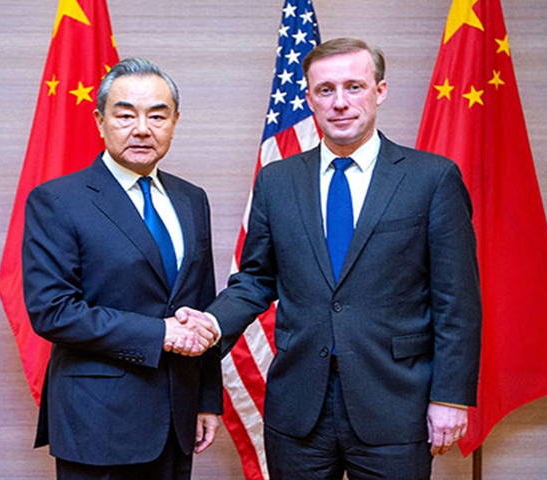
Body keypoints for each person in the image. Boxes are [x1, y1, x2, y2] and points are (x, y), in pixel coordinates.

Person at [180, 38, 482, 479]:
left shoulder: (431, 179)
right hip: (300, 405)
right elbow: (256, 279)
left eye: (354, 87)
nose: (340, 103)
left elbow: (457, 299)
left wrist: (450, 397)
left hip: (395, 401)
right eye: (325, 90)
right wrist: (210, 324)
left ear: (379, 91)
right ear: (308, 98)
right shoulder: (277, 180)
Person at [22, 57, 222, 480]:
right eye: (125, 115)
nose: (142, 129)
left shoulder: (192, 199)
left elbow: (201, 305)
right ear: (100, 121)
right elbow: (53, 311)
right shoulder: (58, 200)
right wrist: (160, 333)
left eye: (157, 115)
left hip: (177, 416)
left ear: (175, 122)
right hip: (98, 421)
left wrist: (207, 399)